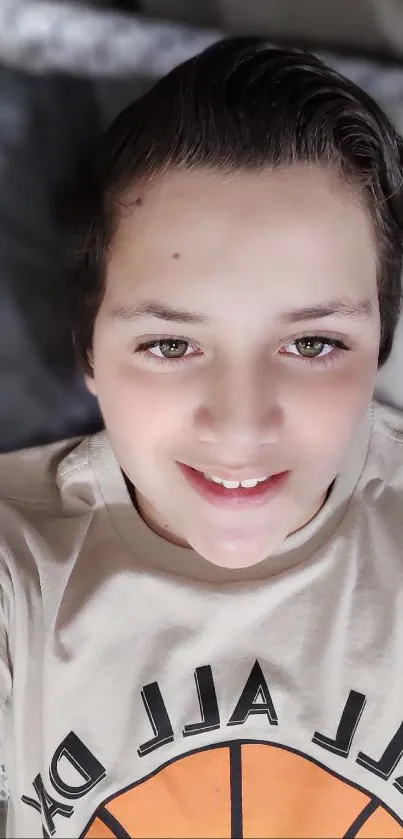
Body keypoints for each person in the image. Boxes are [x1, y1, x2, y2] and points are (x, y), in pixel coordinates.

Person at [0, 35, 403, 838]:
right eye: (170, 345)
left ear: (381, 348)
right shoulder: (21, 565)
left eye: (313, 343)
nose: (240, 424)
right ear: (89, 354)